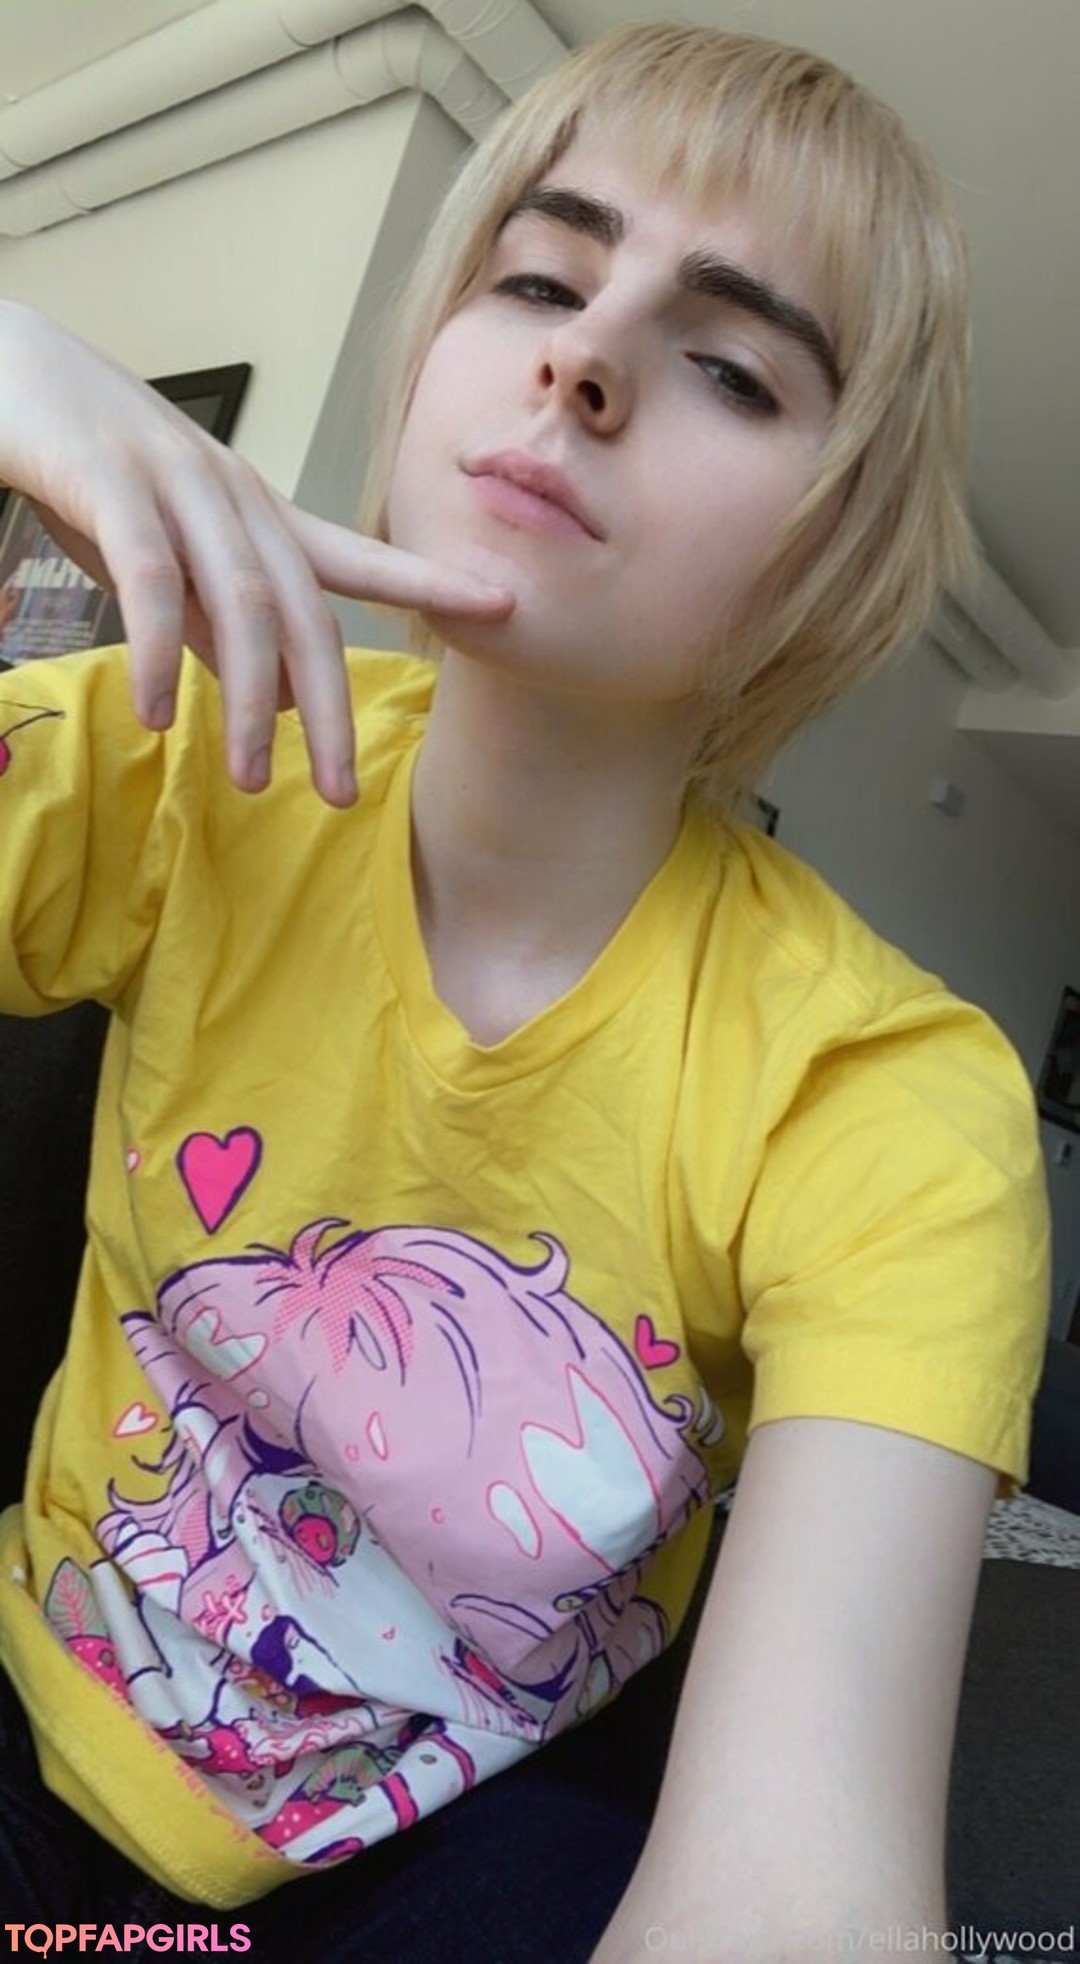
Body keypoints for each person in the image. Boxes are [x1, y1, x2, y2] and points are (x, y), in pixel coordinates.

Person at [0, 21, 1051, 1961]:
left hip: (464, 1851)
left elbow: (798, 1881)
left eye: (733, 368)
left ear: (829, 555)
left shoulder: (889, 1098)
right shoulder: (171, 756)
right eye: (545, 281)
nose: (587, 359)